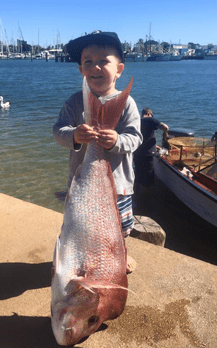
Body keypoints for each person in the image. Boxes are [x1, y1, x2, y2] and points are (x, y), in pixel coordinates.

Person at [53, 31, 142, 272]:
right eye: (88, 61)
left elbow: (135, 138)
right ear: (81, 70)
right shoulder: (74, 102)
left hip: (119, 185)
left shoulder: (127, 103)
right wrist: (74, 135)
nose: (96, 67)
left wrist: (116, 141)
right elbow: (58, 130)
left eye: (104, 61)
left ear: (119, 69)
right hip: (81, 185)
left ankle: (121, 254)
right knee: (77, 225)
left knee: (120, 226)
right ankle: (73, 256)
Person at [133, 108, 169, 187]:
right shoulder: (151, 120)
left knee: (138, 177)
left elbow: (141, 138)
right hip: (148, 155)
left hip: (136, 153)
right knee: (148, 179)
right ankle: (147, 195)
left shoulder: (137, 121)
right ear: (149, 113)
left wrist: (154, 145)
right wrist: (165, 135)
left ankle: (138, 196)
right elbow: (165, 127)